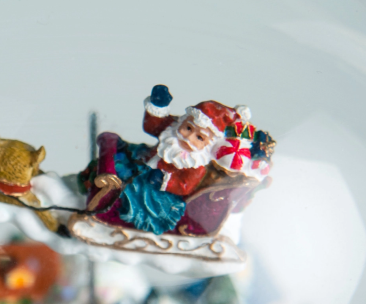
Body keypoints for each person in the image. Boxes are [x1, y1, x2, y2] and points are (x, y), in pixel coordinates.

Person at [82, 86, 260, 236]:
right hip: (143, 162)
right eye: (188, 128)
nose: (188, 137)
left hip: (161, 192)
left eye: (199, 137)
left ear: (209, 144)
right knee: (119, 158)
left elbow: (185, 186)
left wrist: (165, 180)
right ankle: (89, 182)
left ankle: (114, 210)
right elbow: (153, 125)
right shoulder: (172, 129)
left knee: (131, 189)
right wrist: (158, 104)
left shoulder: (196, 165)